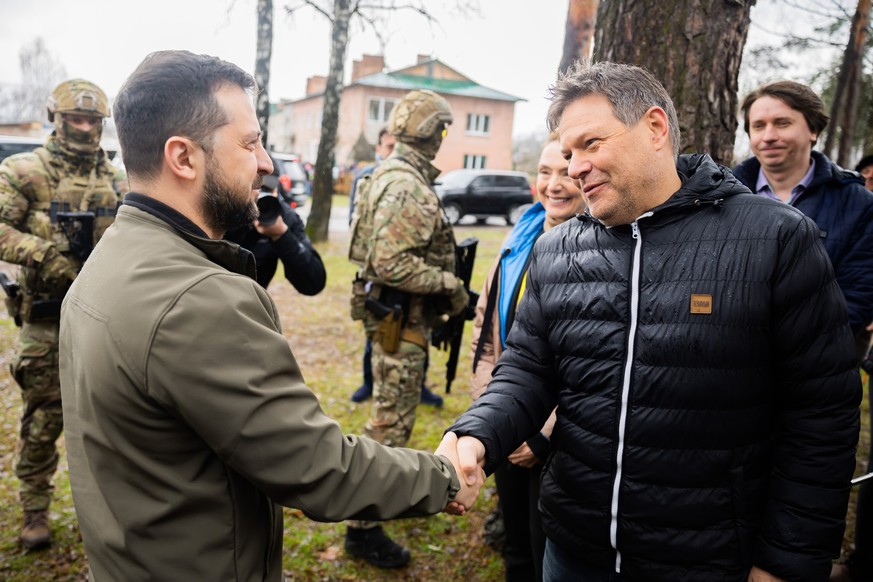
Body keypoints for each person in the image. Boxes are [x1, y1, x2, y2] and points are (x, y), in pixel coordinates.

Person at [57, 50, 482, 581]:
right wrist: (442, 477)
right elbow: (319, 468)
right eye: (249, 142)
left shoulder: (111, 256)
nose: (267, 163)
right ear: (183, 158)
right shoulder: (197, 299)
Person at [439, 60, 862, 581]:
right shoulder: (555, 250)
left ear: (655, 128)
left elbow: (821, 417)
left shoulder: (775, 239)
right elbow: (527, 370)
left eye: (591, 143)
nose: (574, 168)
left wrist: (785, 562)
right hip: (574, 550)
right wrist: (475, 434)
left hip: (708, 560)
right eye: (569, 153)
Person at [346, 88, 469, 568]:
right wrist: (450, 285)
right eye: (441, 130)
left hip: (396, 320)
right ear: (432, 133)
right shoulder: (407, 184)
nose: (442, 138)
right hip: (401, 323)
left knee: (389, 424)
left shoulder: (390, 174)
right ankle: (362, 530)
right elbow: (390, 262)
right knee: (387, 430)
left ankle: (370, 514)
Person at [0, 78, 121, 550]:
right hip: (46, 319)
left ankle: (114, 515)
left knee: (112, 422)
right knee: (44, 418)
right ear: (56, 117)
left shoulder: (118, 180)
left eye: (93, 120)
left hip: (105, 319)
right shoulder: (25, 170)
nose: (85, 127)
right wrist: (42, 253)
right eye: (75, 118)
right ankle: (34, 511)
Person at [470, 130, 585, 582]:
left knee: (546, 552)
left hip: (559, 440)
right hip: (507, 422)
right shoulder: (519, 240)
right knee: (516, 545)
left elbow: (595, 362)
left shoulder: (599, 247)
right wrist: (491, 411)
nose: (553, 184)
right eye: (544, 172)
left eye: (564, 172)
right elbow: (485, 330)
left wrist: (541, 435)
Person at [733, 81, 873, 361]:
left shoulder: (858, 205)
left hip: (815, 367)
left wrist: (793, 348)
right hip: (732, 365)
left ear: (813, 130)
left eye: (782, 123)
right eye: (759, 126)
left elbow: (859, 293)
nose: (768, 136)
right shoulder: (721, 198)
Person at [348, 127, 444, 407]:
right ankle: (370, 381)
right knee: (378, 332)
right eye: (388, 147)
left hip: (412, 272)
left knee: (416, 331)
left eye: (397, 146)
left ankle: (419, 384)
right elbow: (357, 228)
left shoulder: (417, 179)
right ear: (379, 148)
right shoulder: (368, 179)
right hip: (379, 275)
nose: (393, 153)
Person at [224, 173, 326, 293]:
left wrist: (282, 235)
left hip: (252, 297)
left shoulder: (281, 216)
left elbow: (314, 283)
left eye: (266, 189)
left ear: (276, 191)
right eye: (254, 187)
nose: (259, 195)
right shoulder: (226, 206)